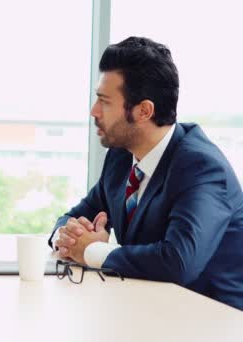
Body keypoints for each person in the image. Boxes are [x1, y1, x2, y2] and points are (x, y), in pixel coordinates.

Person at [49, 37, 243, 310]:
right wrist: (66, 235)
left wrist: (92, 251)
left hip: (212, 322)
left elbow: (178, 262)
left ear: (144, 111)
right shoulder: (120, 157)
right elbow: (79, 214)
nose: (94, 111)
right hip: (148, 311)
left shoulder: (201, 168)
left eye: (104, 102)